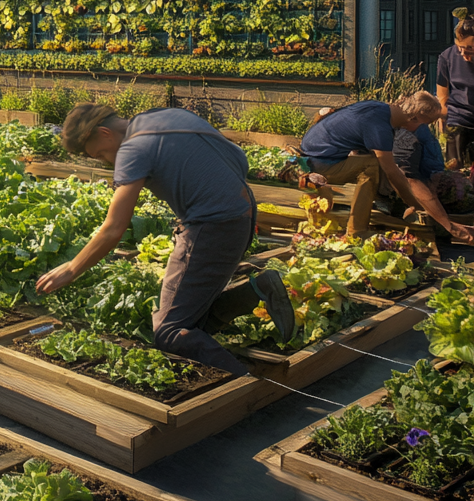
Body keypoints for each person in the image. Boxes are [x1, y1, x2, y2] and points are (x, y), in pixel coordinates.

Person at [35, 104, 295, 377]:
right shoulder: (165, 116)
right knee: (191, 318)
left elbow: (114, 228)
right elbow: (238, 157)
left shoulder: (132, 148)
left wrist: (71, 268)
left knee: (169, 332)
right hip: (242, 217)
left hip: (213, 226)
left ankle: (248, 386)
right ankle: (257, 290)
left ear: (104, 132)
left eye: (100, 154)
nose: (107, 162)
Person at [299, 91, 474, 242]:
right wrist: (416, 206)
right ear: (414, 118)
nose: (422, 130)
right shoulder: (380, 127)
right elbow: (394, 174)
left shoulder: (379, 107)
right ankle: (356, 231)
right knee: (373, 165)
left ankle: (364, 202)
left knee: (375, 160)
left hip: (312, 153)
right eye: (425, 124)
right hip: (314, 165)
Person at [392, 123, 474, 217]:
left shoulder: (418, 130)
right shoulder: (412, 135)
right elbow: (413, 176)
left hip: (430, 188)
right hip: (429, 191)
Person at [437, 11, 474, 168]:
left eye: (469, 48)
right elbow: (442, 96)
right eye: (460, 48)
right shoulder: (446, 57)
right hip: (457, 118)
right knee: (454, 169)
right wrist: (442, 119)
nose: (464, 53)